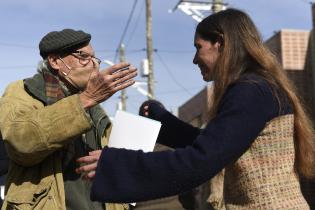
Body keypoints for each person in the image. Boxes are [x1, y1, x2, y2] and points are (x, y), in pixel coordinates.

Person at [76, 8, 315, 209]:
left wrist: (116, 165)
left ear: (220, 43)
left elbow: (200, 161)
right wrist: (162, 121)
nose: (194, 58)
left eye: (198, 47)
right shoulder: (259, 87)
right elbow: (214, 144)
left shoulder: (251, 91)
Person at [0, 28, 137, 210]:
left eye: (95, 59)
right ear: (56, 61)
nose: (95, 65)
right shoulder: (23, 91)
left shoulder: (95, 109)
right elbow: (20, 142)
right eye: (83, 57)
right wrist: (86, 99)